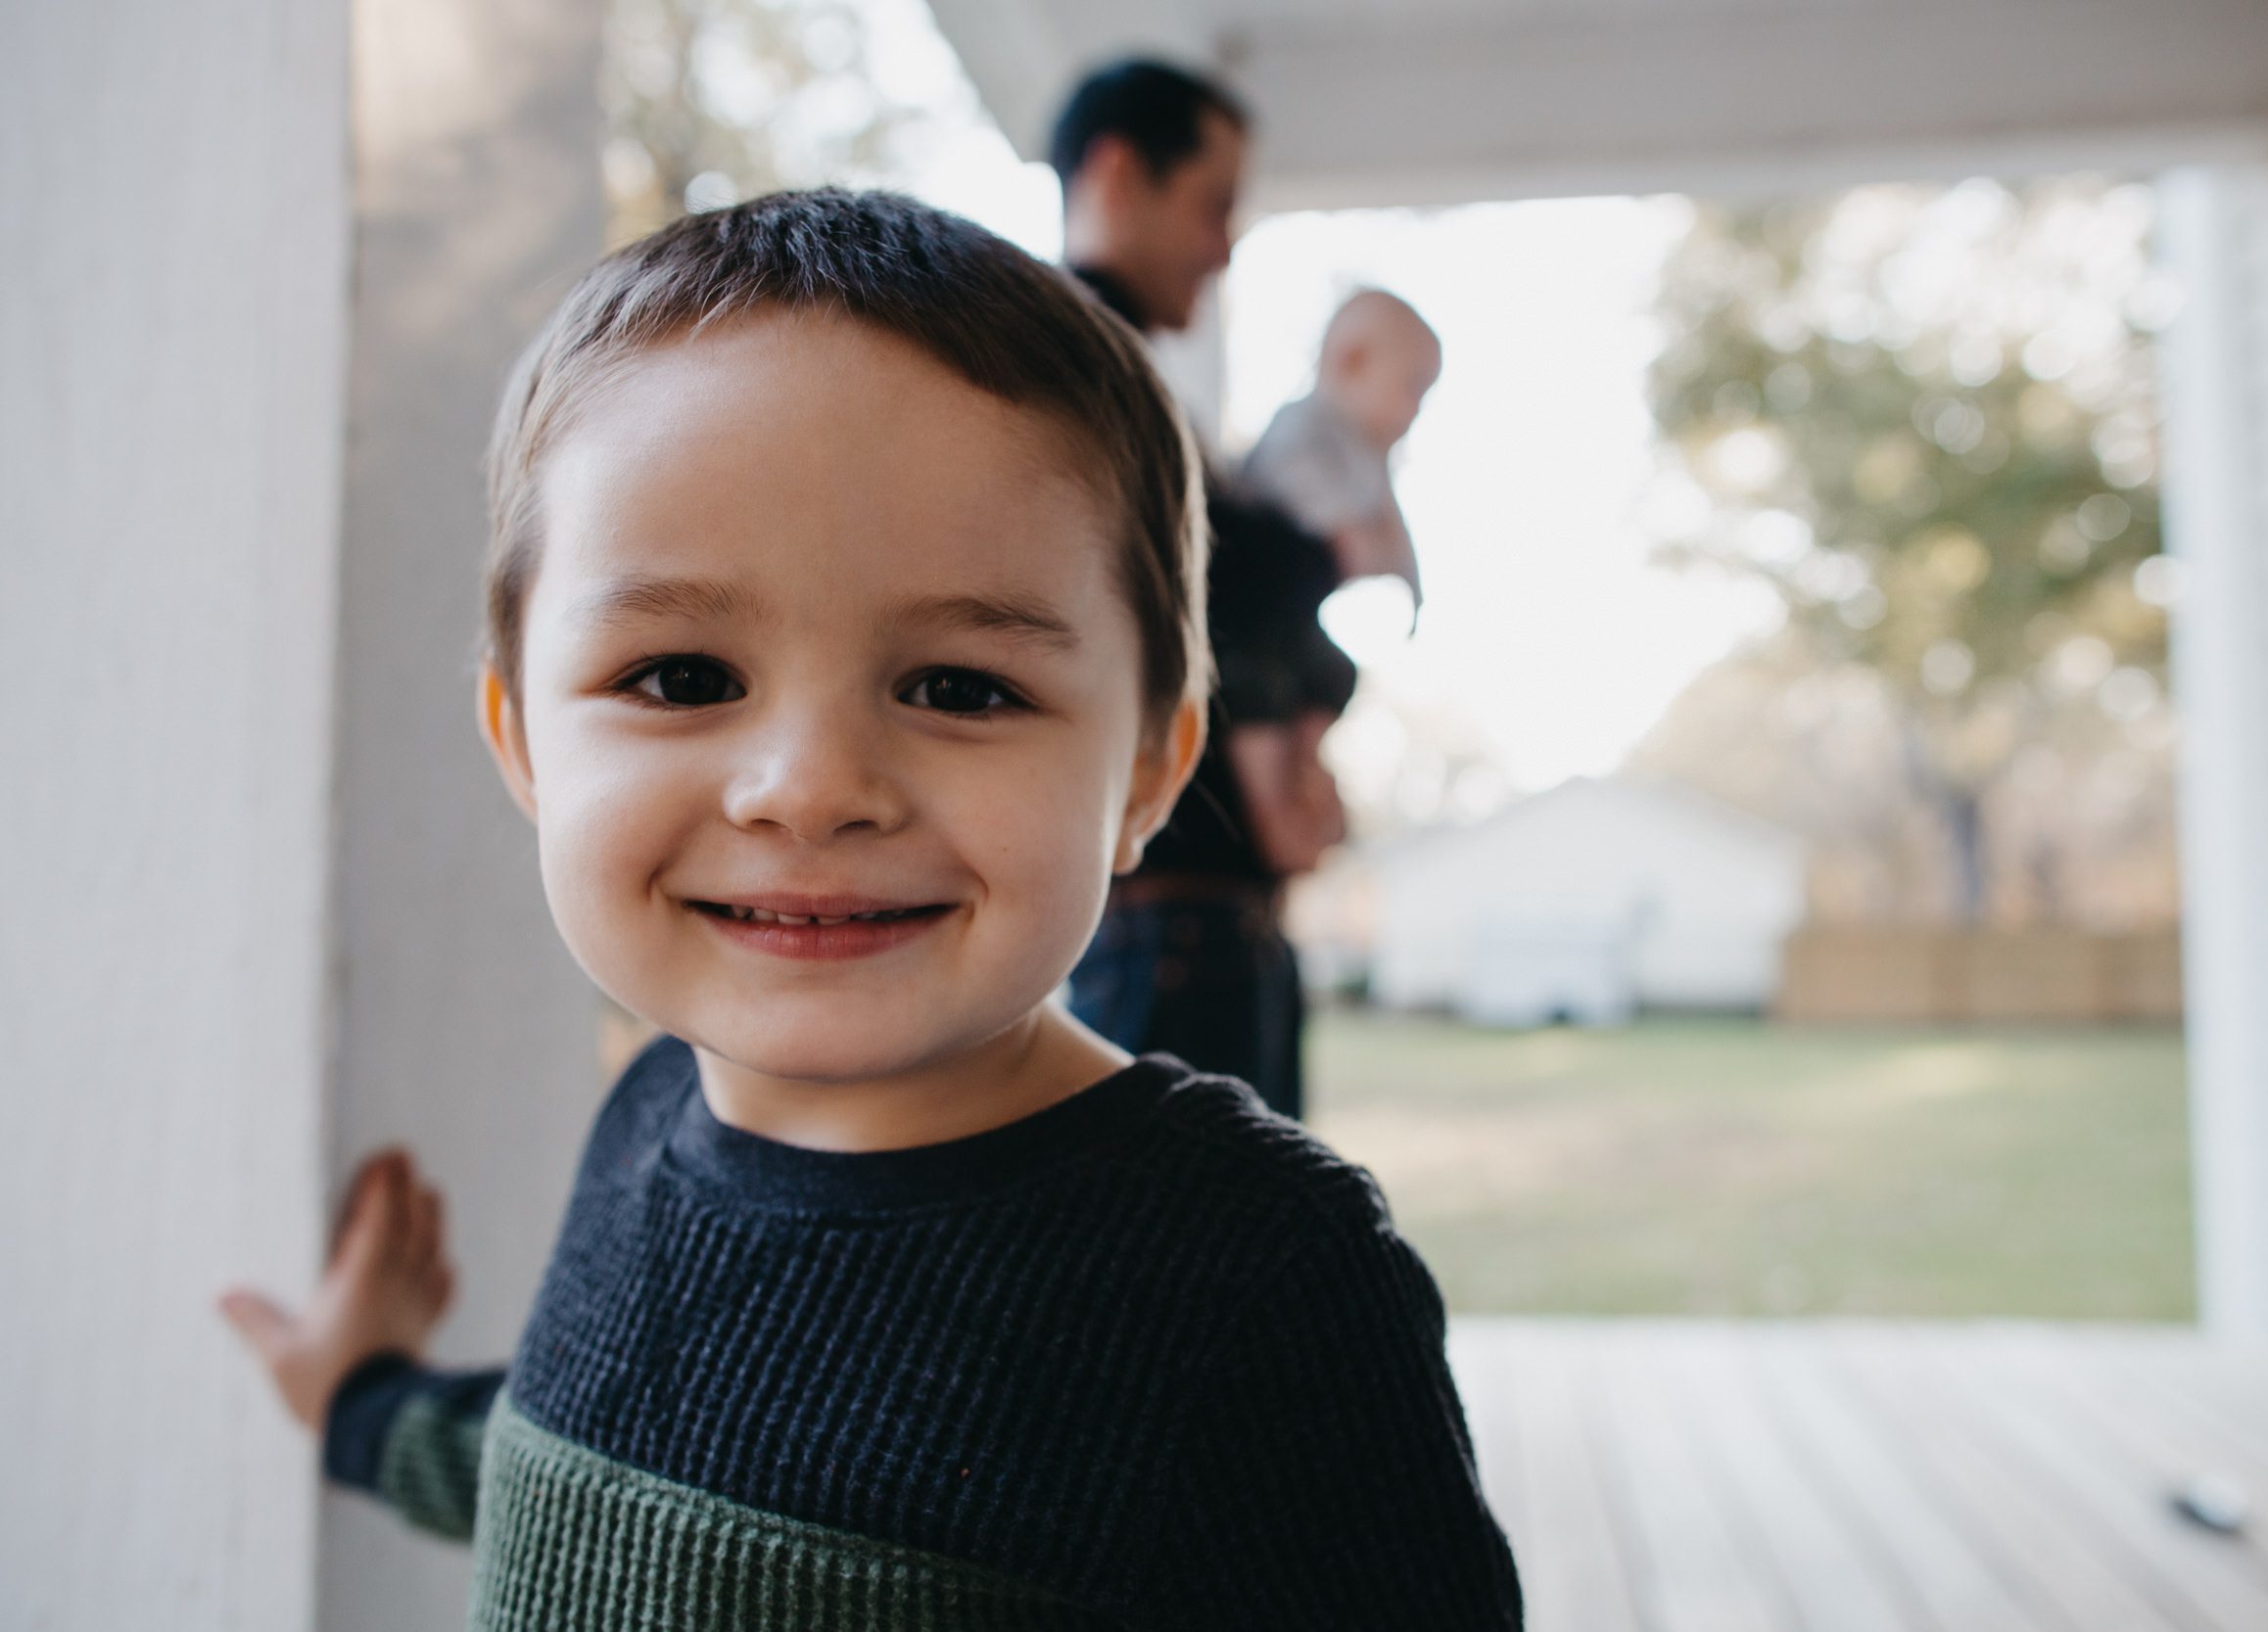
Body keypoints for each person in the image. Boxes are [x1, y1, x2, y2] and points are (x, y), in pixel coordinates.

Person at [215, 190, 1521, 1629]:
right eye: (683, 676)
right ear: (523, 737)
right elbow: (583, 1473)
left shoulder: (1256, 1275)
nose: (810, 788)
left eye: (962, 686)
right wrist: (355, 1398)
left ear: (1149, 764)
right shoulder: (645, 1126)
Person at [1052, 59, 1356, 1120]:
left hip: (1186, 928)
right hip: (1170, 927)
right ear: (1119, 171)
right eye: (1213, 204)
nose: (1225, 247)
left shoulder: (1112, 372)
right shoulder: (1070, 368)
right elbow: (1243, 587)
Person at [1243, 288, 1442, 610]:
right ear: (1354, 362)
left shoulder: (1376, 457)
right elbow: (1289, 479)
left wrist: (1415, 594)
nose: (1416, 410)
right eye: (1414, 388)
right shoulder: (1306, 421)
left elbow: (1395, 533)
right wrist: (1350, 533)